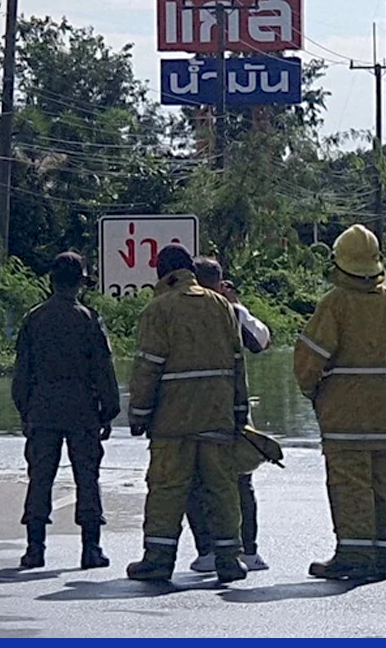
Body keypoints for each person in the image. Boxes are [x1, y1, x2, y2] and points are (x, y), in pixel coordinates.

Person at [125, 245, 252, 583]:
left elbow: (147, 368)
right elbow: (238, 364)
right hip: (217, 416)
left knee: (167, 489)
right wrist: (240, 412)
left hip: (172, 422)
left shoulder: (158, 309)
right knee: (222, 489)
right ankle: (229, 559)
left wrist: (138, 414)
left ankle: (157, 560)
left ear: (162, 274)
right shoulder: (221, 305)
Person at [294, 224, 386, 582]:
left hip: (345, 414)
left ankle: (354, 554)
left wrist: (314, 393)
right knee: (383, 482)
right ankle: (383, 555)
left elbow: (309, 361)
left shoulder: (335, 304)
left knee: (350, 482)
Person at [12, 251, 121, 571]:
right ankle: (91, 550)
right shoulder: (88, 319)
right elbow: (104, 369)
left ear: (51, 281)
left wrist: (24, 411)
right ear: (80, 285)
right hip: (82, 409)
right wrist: (109, 410)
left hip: (42, 407)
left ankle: (35, 550)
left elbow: (22, 371)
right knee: (87, 477)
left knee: (40, 477)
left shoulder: (33, 318)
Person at [185, 257, 271, 573]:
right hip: (231, 408)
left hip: (190, 409)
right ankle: (248, 551)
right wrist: (237, 304)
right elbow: (262, 340)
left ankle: (207, 550)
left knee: (195, 480)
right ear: (221, 284)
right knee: (239, 481)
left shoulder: (178, 308)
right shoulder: (231, 311)